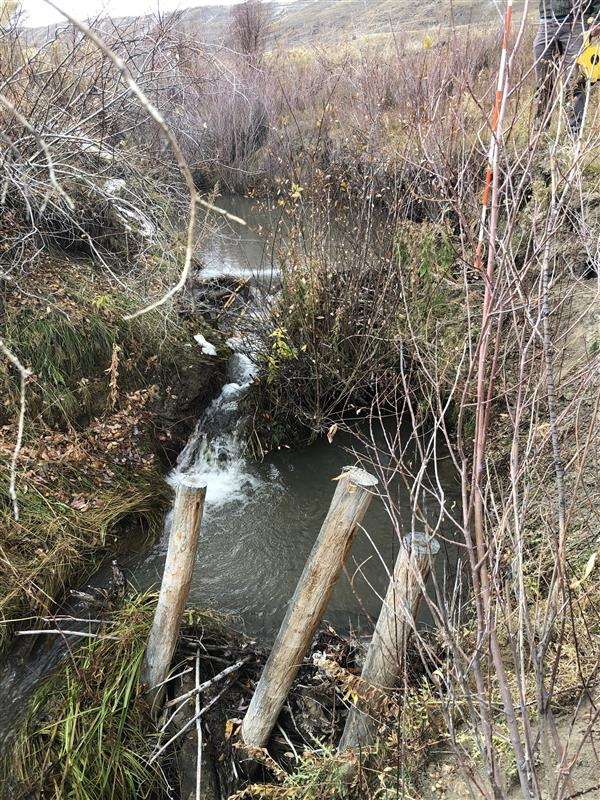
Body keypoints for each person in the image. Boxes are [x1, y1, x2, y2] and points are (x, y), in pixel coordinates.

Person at [534, 0, 600, 134]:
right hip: (546, 22)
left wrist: (597, 17)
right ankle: (540, 132)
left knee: (575, 81)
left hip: (576, 20)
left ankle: (574, 134)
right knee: (543, 83)